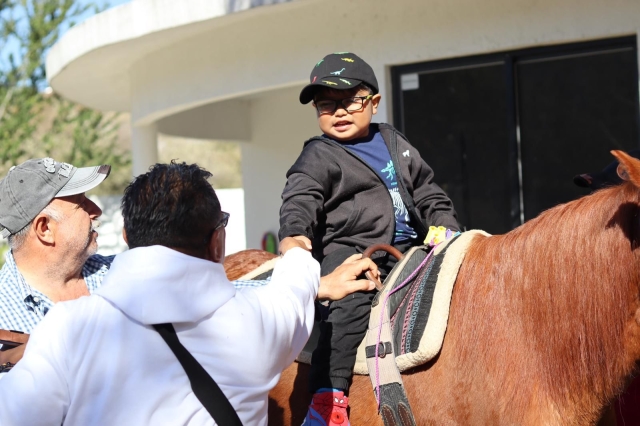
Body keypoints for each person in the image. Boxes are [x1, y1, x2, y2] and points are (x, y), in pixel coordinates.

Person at [0, 161, 380, 426]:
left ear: (129, 238)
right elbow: (282, 294)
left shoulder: (65, 330)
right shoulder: (255, 323)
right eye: (82, 202)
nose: (96, 210)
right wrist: (300, 258)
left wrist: (321, 284)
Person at [279, 52, 460, 425]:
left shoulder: (392, 140)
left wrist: (444, 225)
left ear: (373, 103)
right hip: (351, 249)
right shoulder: (319, 154)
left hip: (411, 247)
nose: (339, 112)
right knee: (349, 302)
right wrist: (293, 237)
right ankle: (327, 400)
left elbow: (427, 190)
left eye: (349, 101)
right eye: (326, 105)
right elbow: (300, 196)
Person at [0, 158, 113, 365]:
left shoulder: (121, 273)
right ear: (45, 229)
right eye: (81, 203)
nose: (96, 210)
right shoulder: (3, 314)